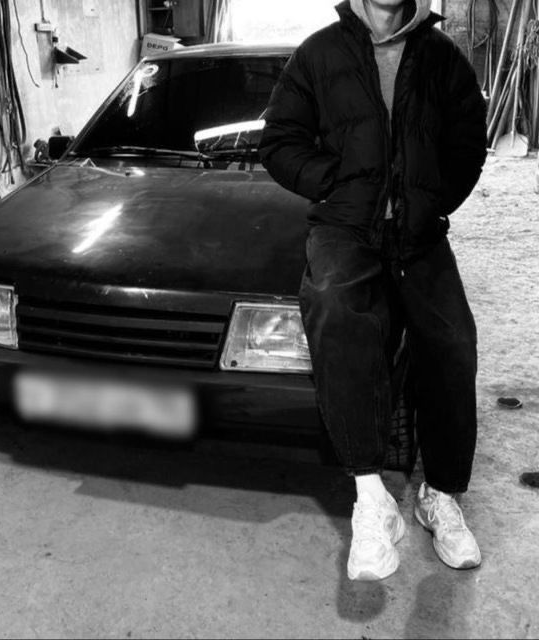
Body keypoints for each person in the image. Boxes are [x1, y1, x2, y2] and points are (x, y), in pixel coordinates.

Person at [259, 0, 488, 581]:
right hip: (345, 228)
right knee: (337, 312)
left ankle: (439, 495)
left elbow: (468, 143)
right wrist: (334, 182)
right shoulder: (319, 53)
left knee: (453, 341)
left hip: (418, 234)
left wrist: (429, 201)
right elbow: (279, 140)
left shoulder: (442, 58)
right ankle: (371, 498)